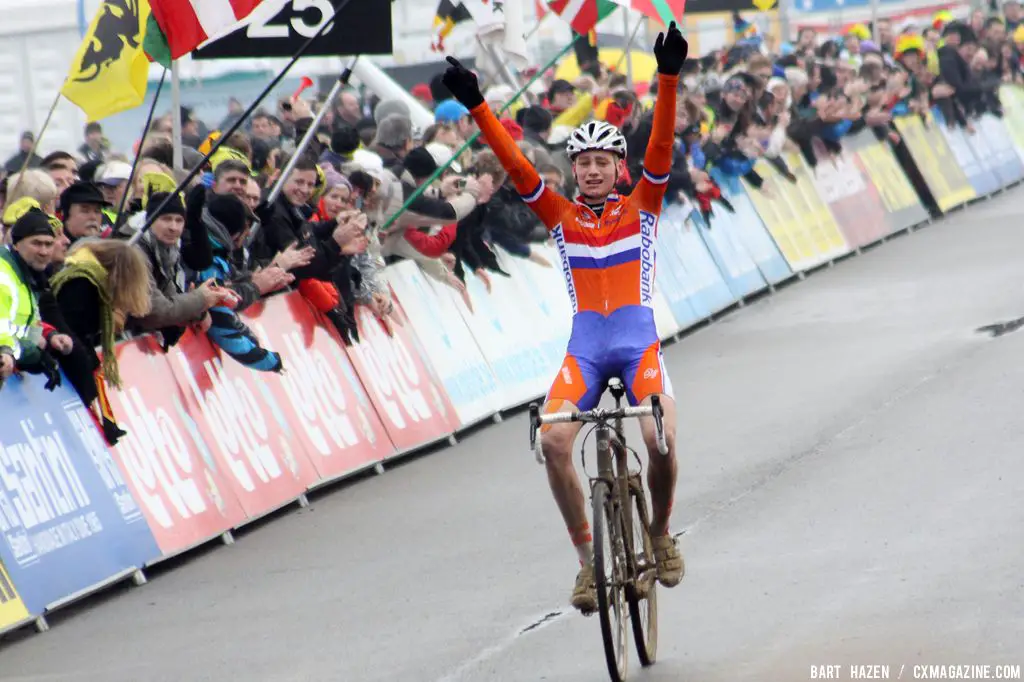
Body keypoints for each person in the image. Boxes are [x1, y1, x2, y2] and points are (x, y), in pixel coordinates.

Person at [442, 22, 689, 614]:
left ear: (619, 168)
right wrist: (477, 104)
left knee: (657, 438)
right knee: (552, 443)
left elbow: (659, 147)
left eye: (604, 161)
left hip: (637, 346)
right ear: (574, 171)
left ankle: (658, 533)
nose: (593, 171)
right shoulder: (557, 214)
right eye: (584, 163)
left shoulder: (643, 206)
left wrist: (668, 78)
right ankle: (586, 563)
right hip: (585, 350)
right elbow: (515, 163)